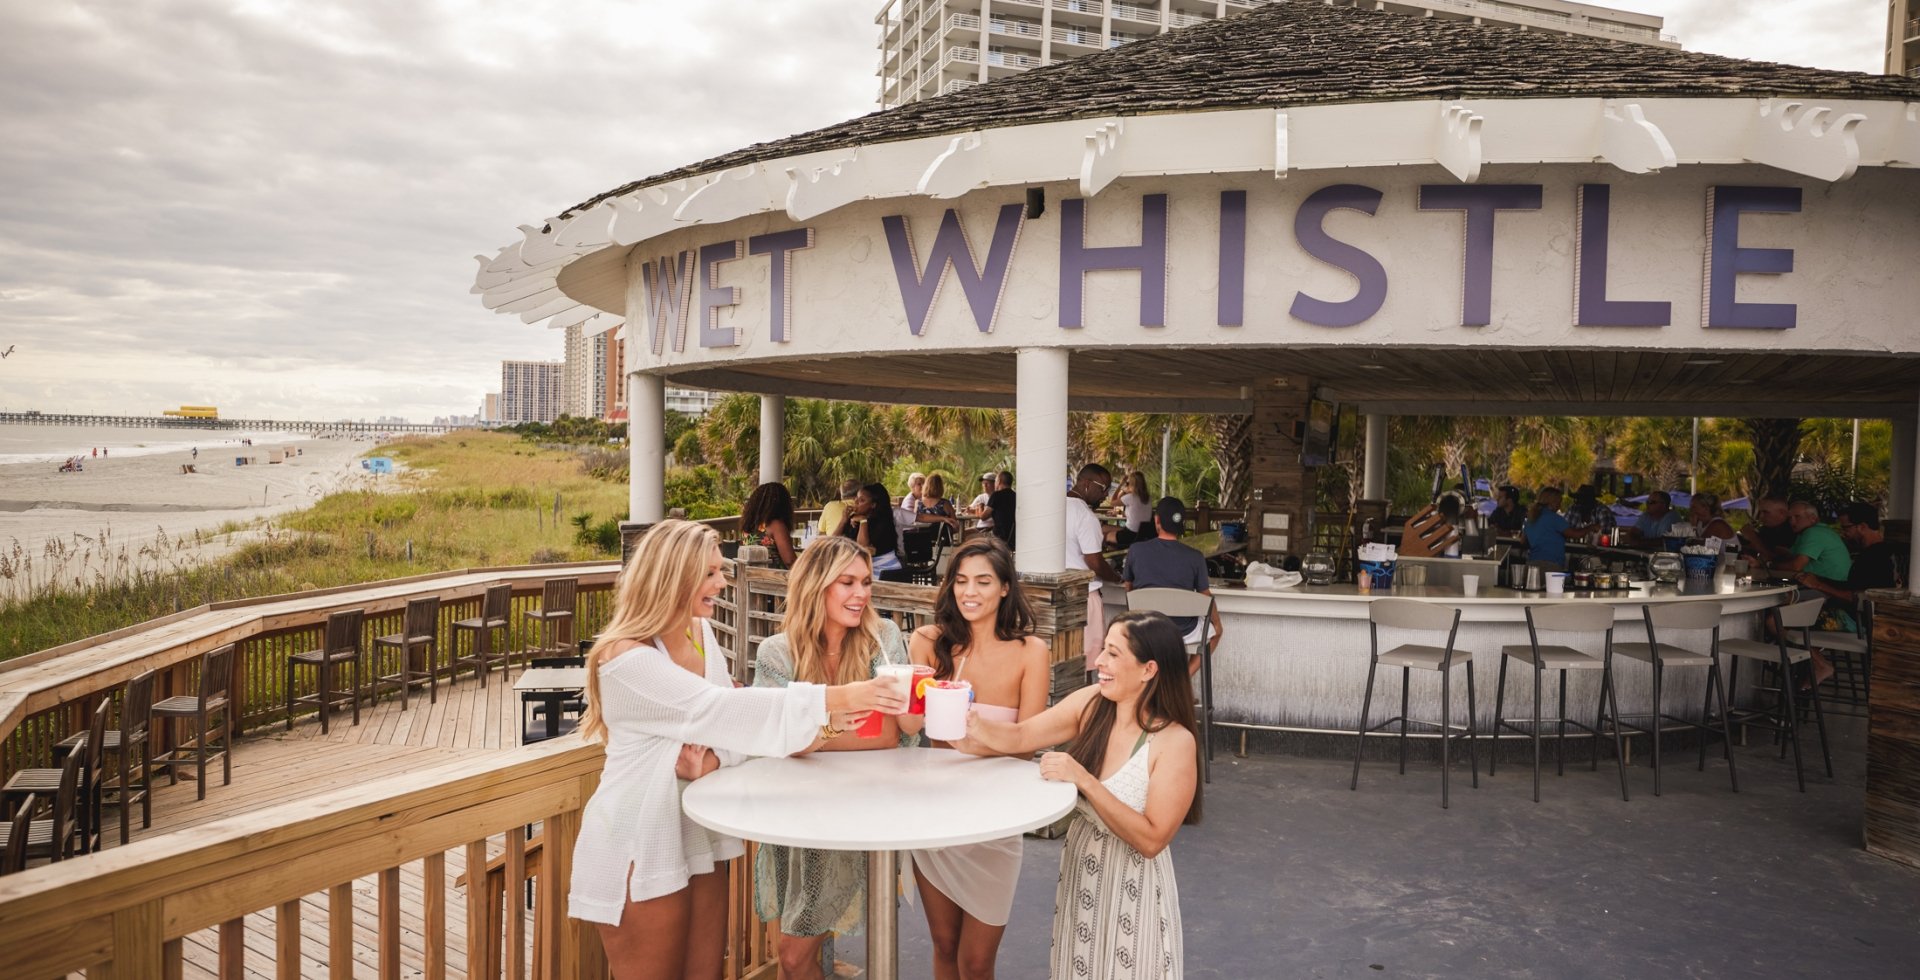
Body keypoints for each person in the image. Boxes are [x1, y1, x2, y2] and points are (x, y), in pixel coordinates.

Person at [567, 520, 904, 980]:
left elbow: (733, 735)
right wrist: (843, 698)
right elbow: (717, 709)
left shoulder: (699, 635)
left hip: (696, 831)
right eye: (710, 573)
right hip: (639, 836)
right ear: (673, 576)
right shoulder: (623, 656)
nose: (722, 583)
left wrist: (710, 760)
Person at [957, 612, 1200, 980]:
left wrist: (1085, 780)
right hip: (1084, 873)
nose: (1099, 661)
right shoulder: (1092, 703)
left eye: (1113, 654)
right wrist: (971, 723)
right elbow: (1022, 736)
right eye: (1103, 649)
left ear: (1148, 669)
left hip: (1132, 887)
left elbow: (1152, 840)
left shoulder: (1174, 742)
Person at [753, 536, 915, 979]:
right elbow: (772, 735)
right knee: (797, 951)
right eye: (846, 582)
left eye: (865, 582)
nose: (861, 593)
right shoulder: (776, 653)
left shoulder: (883, 640)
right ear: (815, 586)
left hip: (859, 808)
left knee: (793, 954)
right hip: (793, 812)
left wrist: (808, 730)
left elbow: (885, 735)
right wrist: (825, 728)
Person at [896, 537, 1050, 979]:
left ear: (1005, 588)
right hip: (937, 813)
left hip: (995, 816)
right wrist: (901, 691)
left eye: (983, 581)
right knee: (945, 947)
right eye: (961, 580)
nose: (970, 592)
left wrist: (975, 740)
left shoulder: (1031, 652)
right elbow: (909, 727)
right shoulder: (928, 641)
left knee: (977, 961)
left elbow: (1028, 743)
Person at [1797, 502, 1901, 688]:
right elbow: (1855, 588)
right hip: (1866, 621)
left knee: (1778, 620)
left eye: (1846, 528)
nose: (1844, 533)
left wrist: (1818, 584)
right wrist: (1818, 580)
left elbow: (1857, 598)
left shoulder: (1873, 558)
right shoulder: (1886, 552)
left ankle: (1820, 665)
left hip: (1857, 622)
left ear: (1862, 526)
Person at [1123, 497, 1223, 668]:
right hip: (1183, 632)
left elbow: (1129, 589)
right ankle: (1182, 680)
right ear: (1181, 524)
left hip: (1145, 630)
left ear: (1157, 520)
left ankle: (1151, 683)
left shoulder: (1136, 550)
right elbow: (1205, 596)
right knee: (1215, 634)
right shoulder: (1195, 556)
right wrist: (1218, 624)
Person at [1067, 464, 1126, 670]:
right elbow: (1094, 561)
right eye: (1103, 488)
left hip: (1058, 595)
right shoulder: (1086, 516)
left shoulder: (1053, 509)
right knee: (1089, 663)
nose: (1106, 495)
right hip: (1084, 596)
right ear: (1086, 483)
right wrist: (1116, 577)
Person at [1763, 500, 1852, 584]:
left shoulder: (1814, 532)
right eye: (1790, 518)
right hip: (1829, 584)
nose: (1792, 522)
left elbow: (1796, 566)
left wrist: (1768, 564)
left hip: (1828, 588)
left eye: (1797, 517)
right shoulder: (1813, 531)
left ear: (1813, 518)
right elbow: (1792, 556)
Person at [838, 483, 904, 579]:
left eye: (862, 500)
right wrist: (843, 520)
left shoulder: (882, 523)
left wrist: (863, 521)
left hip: (885, 571)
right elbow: (833, 539)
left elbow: (863, 548)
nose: (856, 501)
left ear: (873, 505)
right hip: (865, 569)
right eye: (856, 497)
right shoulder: (853, 518)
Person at [740, 481, 798, 568]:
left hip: (752, 578)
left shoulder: (748, 527)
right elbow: (790, 561)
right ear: (781, 504)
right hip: (774, 579)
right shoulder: (776, 525)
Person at [1523, 486, 1574, 571]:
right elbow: (1574, 534)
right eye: (1559, 503)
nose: (1559, 506)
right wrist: (1590, 528)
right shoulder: (1554, 518)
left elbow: (1523, 541)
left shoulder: (1531, 517)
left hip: (1532, 564)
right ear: (1552, 502)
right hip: (1551, 565)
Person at [1737, 496, 1796, 564]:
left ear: (1782, 512)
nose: (1761, 516)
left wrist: (1751, 536)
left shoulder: (1789, 531)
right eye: (1760, 512)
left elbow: (1774, 558)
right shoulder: (1767, 528)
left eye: (1766, 512)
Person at [1112, 471, 1153, 549]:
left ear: (1131, 484)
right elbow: (1136, 514)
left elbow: (1112, 502)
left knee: (1106, 535)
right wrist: (1120, 512)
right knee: (1111, 530)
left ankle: (1112, 556)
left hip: (1130, 534)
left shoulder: (1131, 497)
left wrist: (1121, 484)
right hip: (1142, 534)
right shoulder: (1148, 498)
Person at [987, 471, 1016, 549]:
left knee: (970, 536)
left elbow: (984, 516)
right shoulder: (1015, 496)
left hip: (998, 537)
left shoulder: (996, 495)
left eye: (995, 481)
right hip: (1013, 538)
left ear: (999, 481)